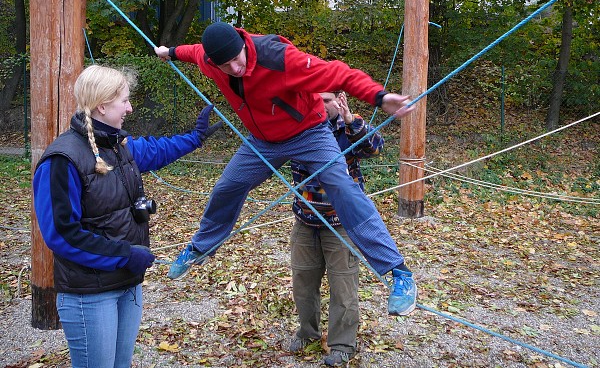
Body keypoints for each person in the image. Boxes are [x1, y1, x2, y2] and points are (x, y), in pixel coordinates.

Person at [154, 22, 417, 316]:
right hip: (263, 141)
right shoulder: (210, 59)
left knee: (343, 188)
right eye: (225, 65)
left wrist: (380, 97)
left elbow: (337, 72)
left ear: (243, 44)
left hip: (310, 132)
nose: (235, 68)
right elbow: (193, 51)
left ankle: (398, 272)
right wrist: (170, 52)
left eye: (237, 59)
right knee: (227, 186)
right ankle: (200, 247)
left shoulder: (279, 58)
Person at [32, 64, 221, 368]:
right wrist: (124, 254)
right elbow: (61, 234)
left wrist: (196, 137)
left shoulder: (118, 146)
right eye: (124, 101)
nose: (130, 108)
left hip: (127, 284)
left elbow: (157, 149)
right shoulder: (63, 160)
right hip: (90, 293)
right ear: (103, 105)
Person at [289, 91, 384, 366]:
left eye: (327, 99)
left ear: (339, 99)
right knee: (303, 283)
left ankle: (342, 344)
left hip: (340, 222)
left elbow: (375, 148)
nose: (320, 104)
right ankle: (308, 333)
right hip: (305, 220)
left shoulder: (348, 128)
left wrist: (351, 120)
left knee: (343, 286)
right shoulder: (298, 125)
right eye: (315, 98)